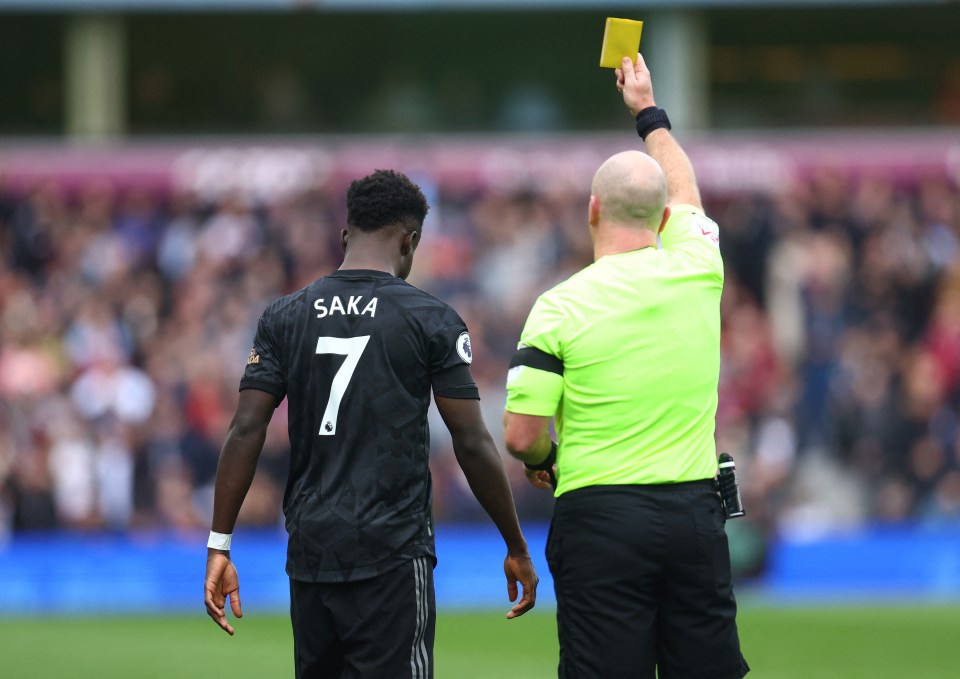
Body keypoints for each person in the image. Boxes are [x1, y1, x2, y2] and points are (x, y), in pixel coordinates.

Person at [204, 169, 538, 678]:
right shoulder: (432, 319)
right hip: (392, 553)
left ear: (345, 236)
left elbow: (245, 430)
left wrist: (219, 543)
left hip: (312, 552)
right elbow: (471, 441)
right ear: (411, 241)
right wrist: (515, 544)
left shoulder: (284, 316)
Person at [502, 55, 749, 678]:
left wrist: (544, 463)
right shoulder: (698, 268)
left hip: (601, 518)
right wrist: (647, 113)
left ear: (592, 210)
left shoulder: (557, 307)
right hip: (694, 513)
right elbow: (686, 190)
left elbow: (521, 434)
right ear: (664, 218)